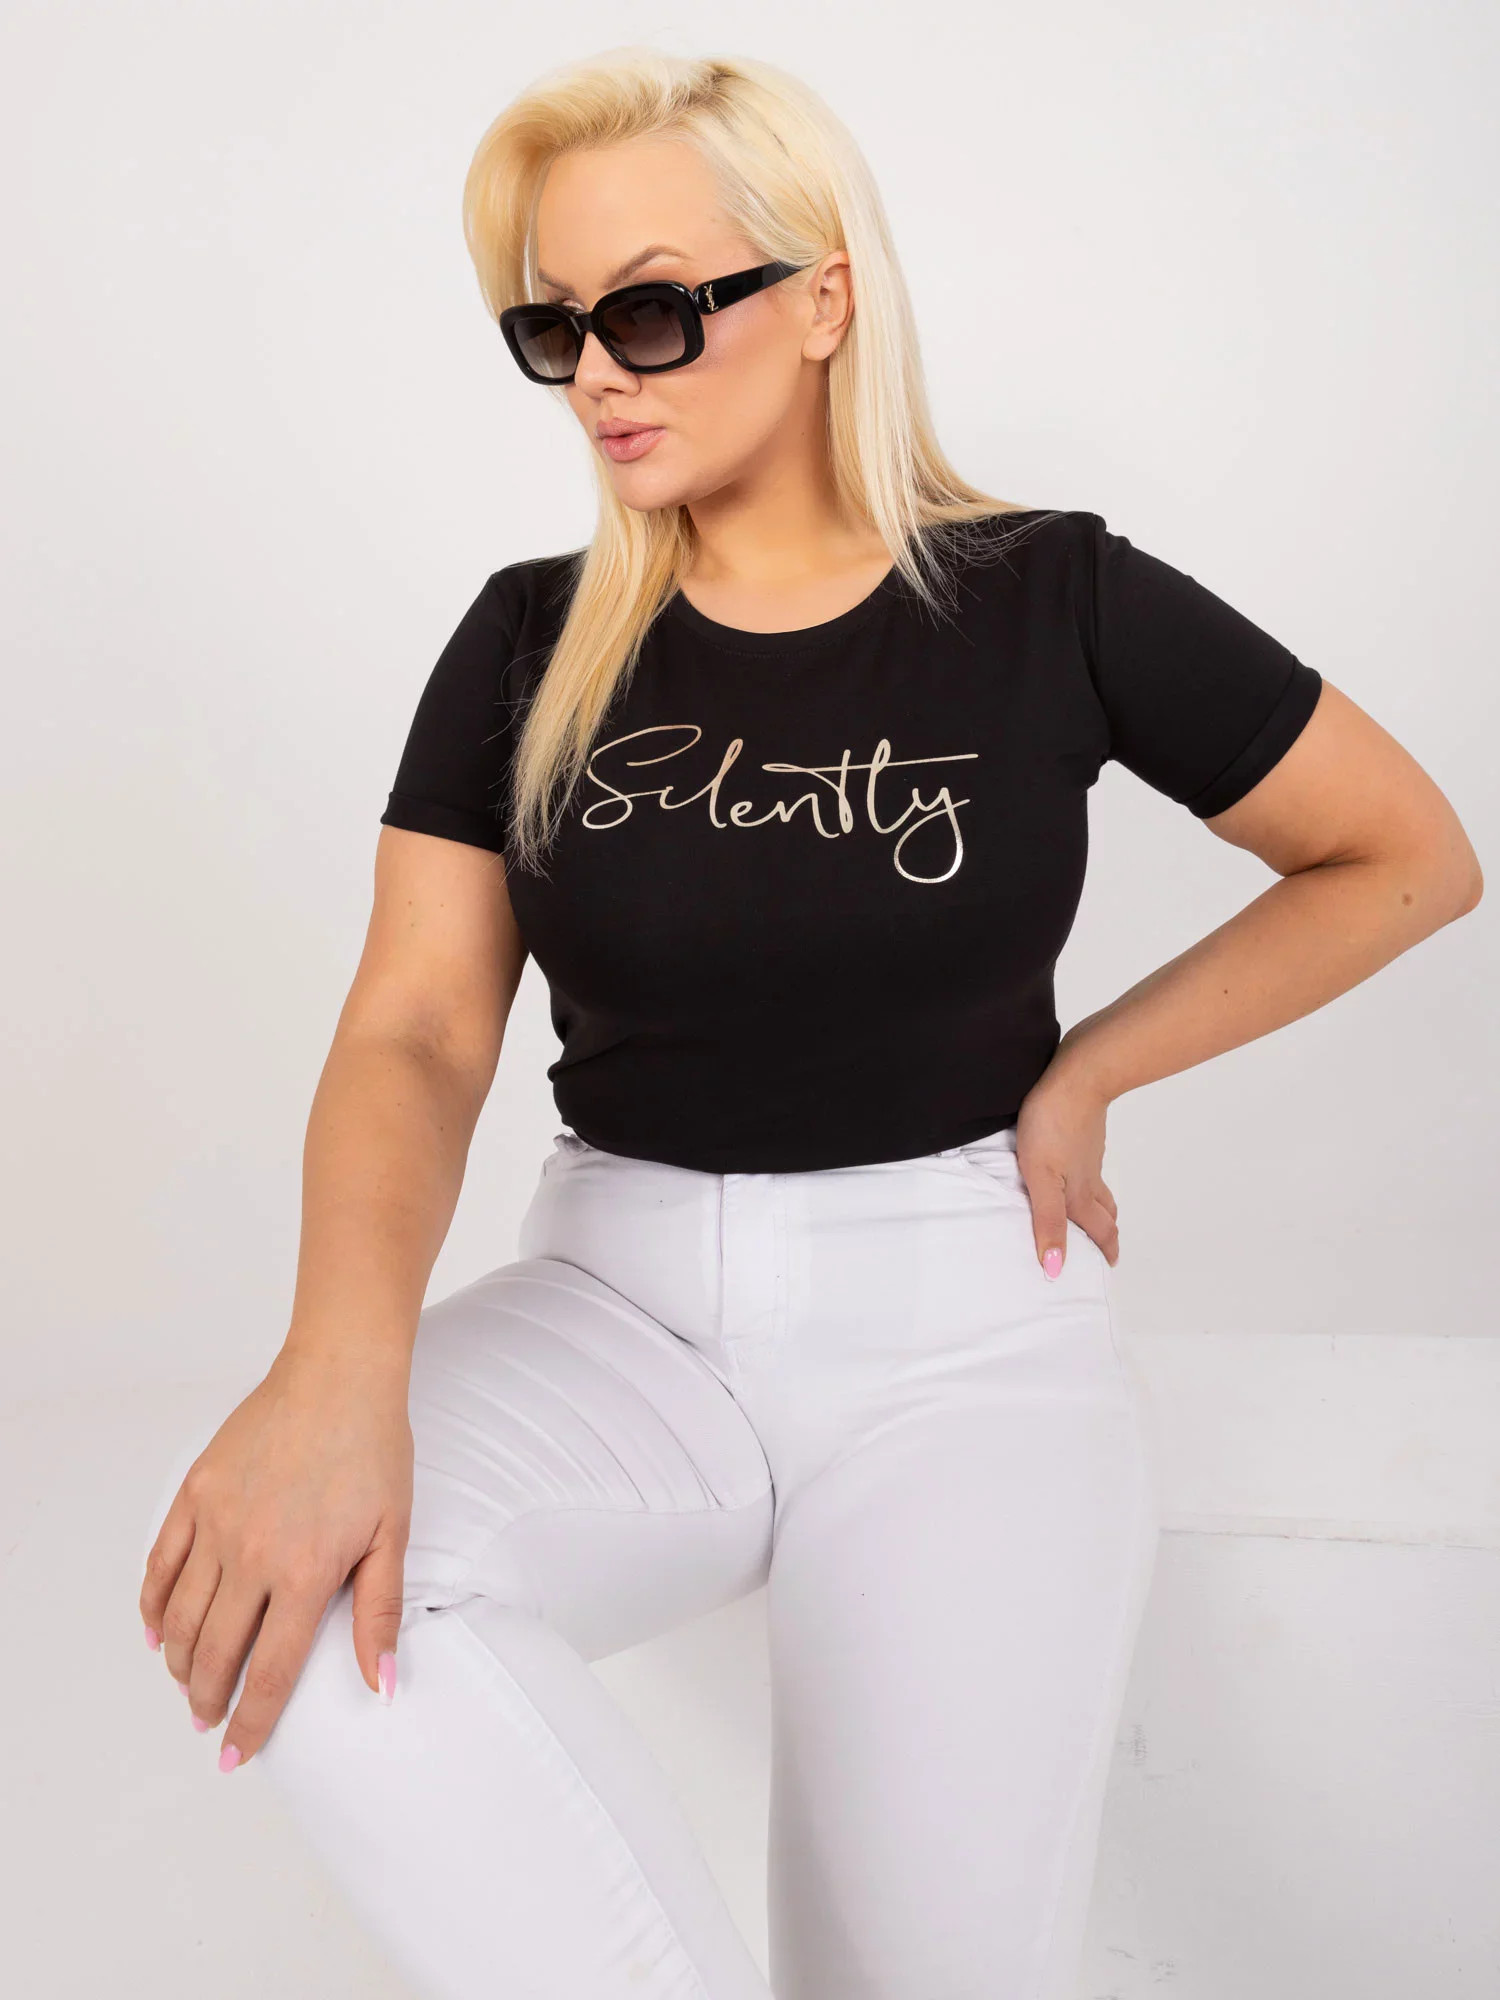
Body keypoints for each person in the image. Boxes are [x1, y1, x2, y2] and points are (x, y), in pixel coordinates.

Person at [136, 45, 1482, 2000]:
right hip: (617, 1308)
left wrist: (1093, 1066)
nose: (600, 375)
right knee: (285, 1583)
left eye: (654, 311)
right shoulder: (528, 639)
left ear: (824, 297)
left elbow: (1405, 855)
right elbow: (416, 1029)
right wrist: (334, 1374)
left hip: (965, 1340)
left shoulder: (1052, 597)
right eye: (555, 327)